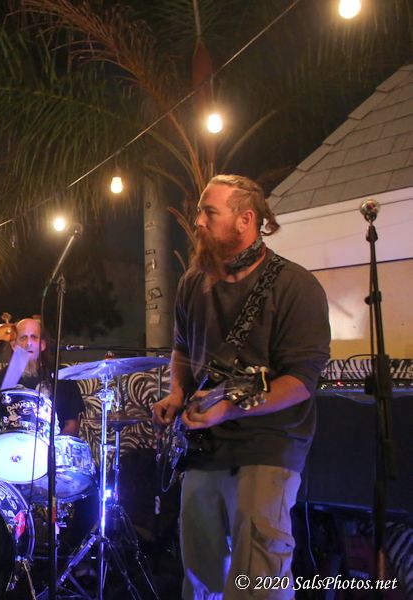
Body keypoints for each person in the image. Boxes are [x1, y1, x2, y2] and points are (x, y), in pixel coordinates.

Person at [151, 174, 330, 599]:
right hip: (204, 446)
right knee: (200, 578)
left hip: (267, 444)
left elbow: (301, 381)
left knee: (256, 580)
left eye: (209, 212)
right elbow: (182, 349)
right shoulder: (192, 283)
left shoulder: (295, 286)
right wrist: (177, 394)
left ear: (245, 220)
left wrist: (230, 408)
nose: (198, 221)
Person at [0, 317, 83, 436]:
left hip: (53, 445)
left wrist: (55, 446)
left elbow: (72, 425)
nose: (29, 343)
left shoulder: (62, 376)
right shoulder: (3, 380)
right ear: (14, 345)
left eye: (34, 337)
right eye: (23, 338)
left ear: (42, 345)